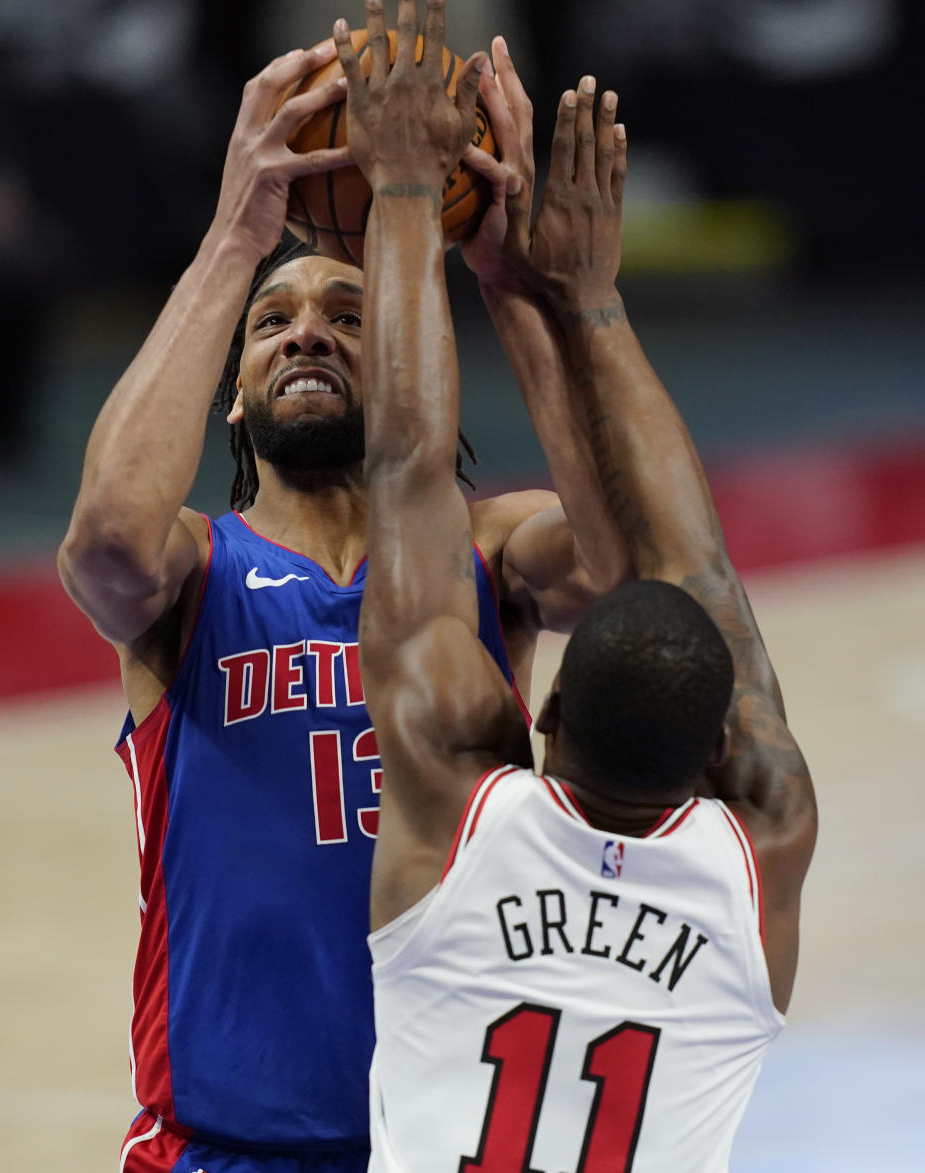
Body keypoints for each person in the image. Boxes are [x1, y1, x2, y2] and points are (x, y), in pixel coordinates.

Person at [56, 11, 630, 1171]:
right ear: (230, 397)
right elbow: (104, 543)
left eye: (350, 317)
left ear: (406, 360)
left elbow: (628, 576)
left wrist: (518, 291)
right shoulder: (194, 568)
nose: (306, 334)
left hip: (454, 1142)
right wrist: (236, 235)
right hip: (226, 1147)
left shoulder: (486, 553)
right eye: (274, 323)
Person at [337, 2, 817, 1169]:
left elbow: (405, 478)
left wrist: (405, 194)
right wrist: (579, 302)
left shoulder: (461, 816)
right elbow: (698, 573)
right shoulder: (760, 847)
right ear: (720, 747)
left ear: (539, 710)